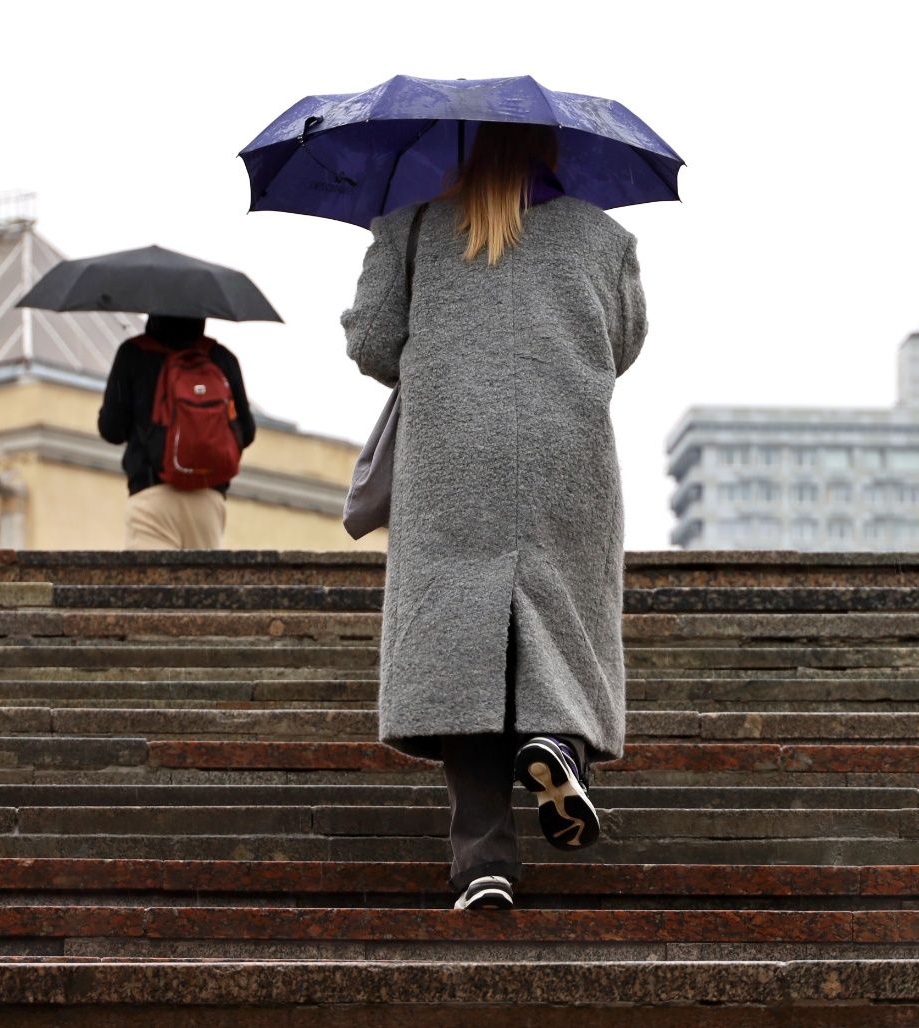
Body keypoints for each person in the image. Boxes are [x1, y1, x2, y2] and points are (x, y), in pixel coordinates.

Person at [341, 122, 647, 911]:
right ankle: (557, 743)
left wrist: (400, 266)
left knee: (461, 655)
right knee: (561, 622)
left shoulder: (413, 224)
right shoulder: (604, 237)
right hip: (565, 460)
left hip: (453, 461)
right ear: (555, 150)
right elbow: (622, 344)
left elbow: (374, 343)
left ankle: (483, 863)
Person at [98, 314, 256, 549]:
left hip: (152, 498)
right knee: (202, 574)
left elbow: (112, 430)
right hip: (208, 501)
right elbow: (247, 432)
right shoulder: (221, 358)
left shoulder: (133, 353)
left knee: (152, 574)